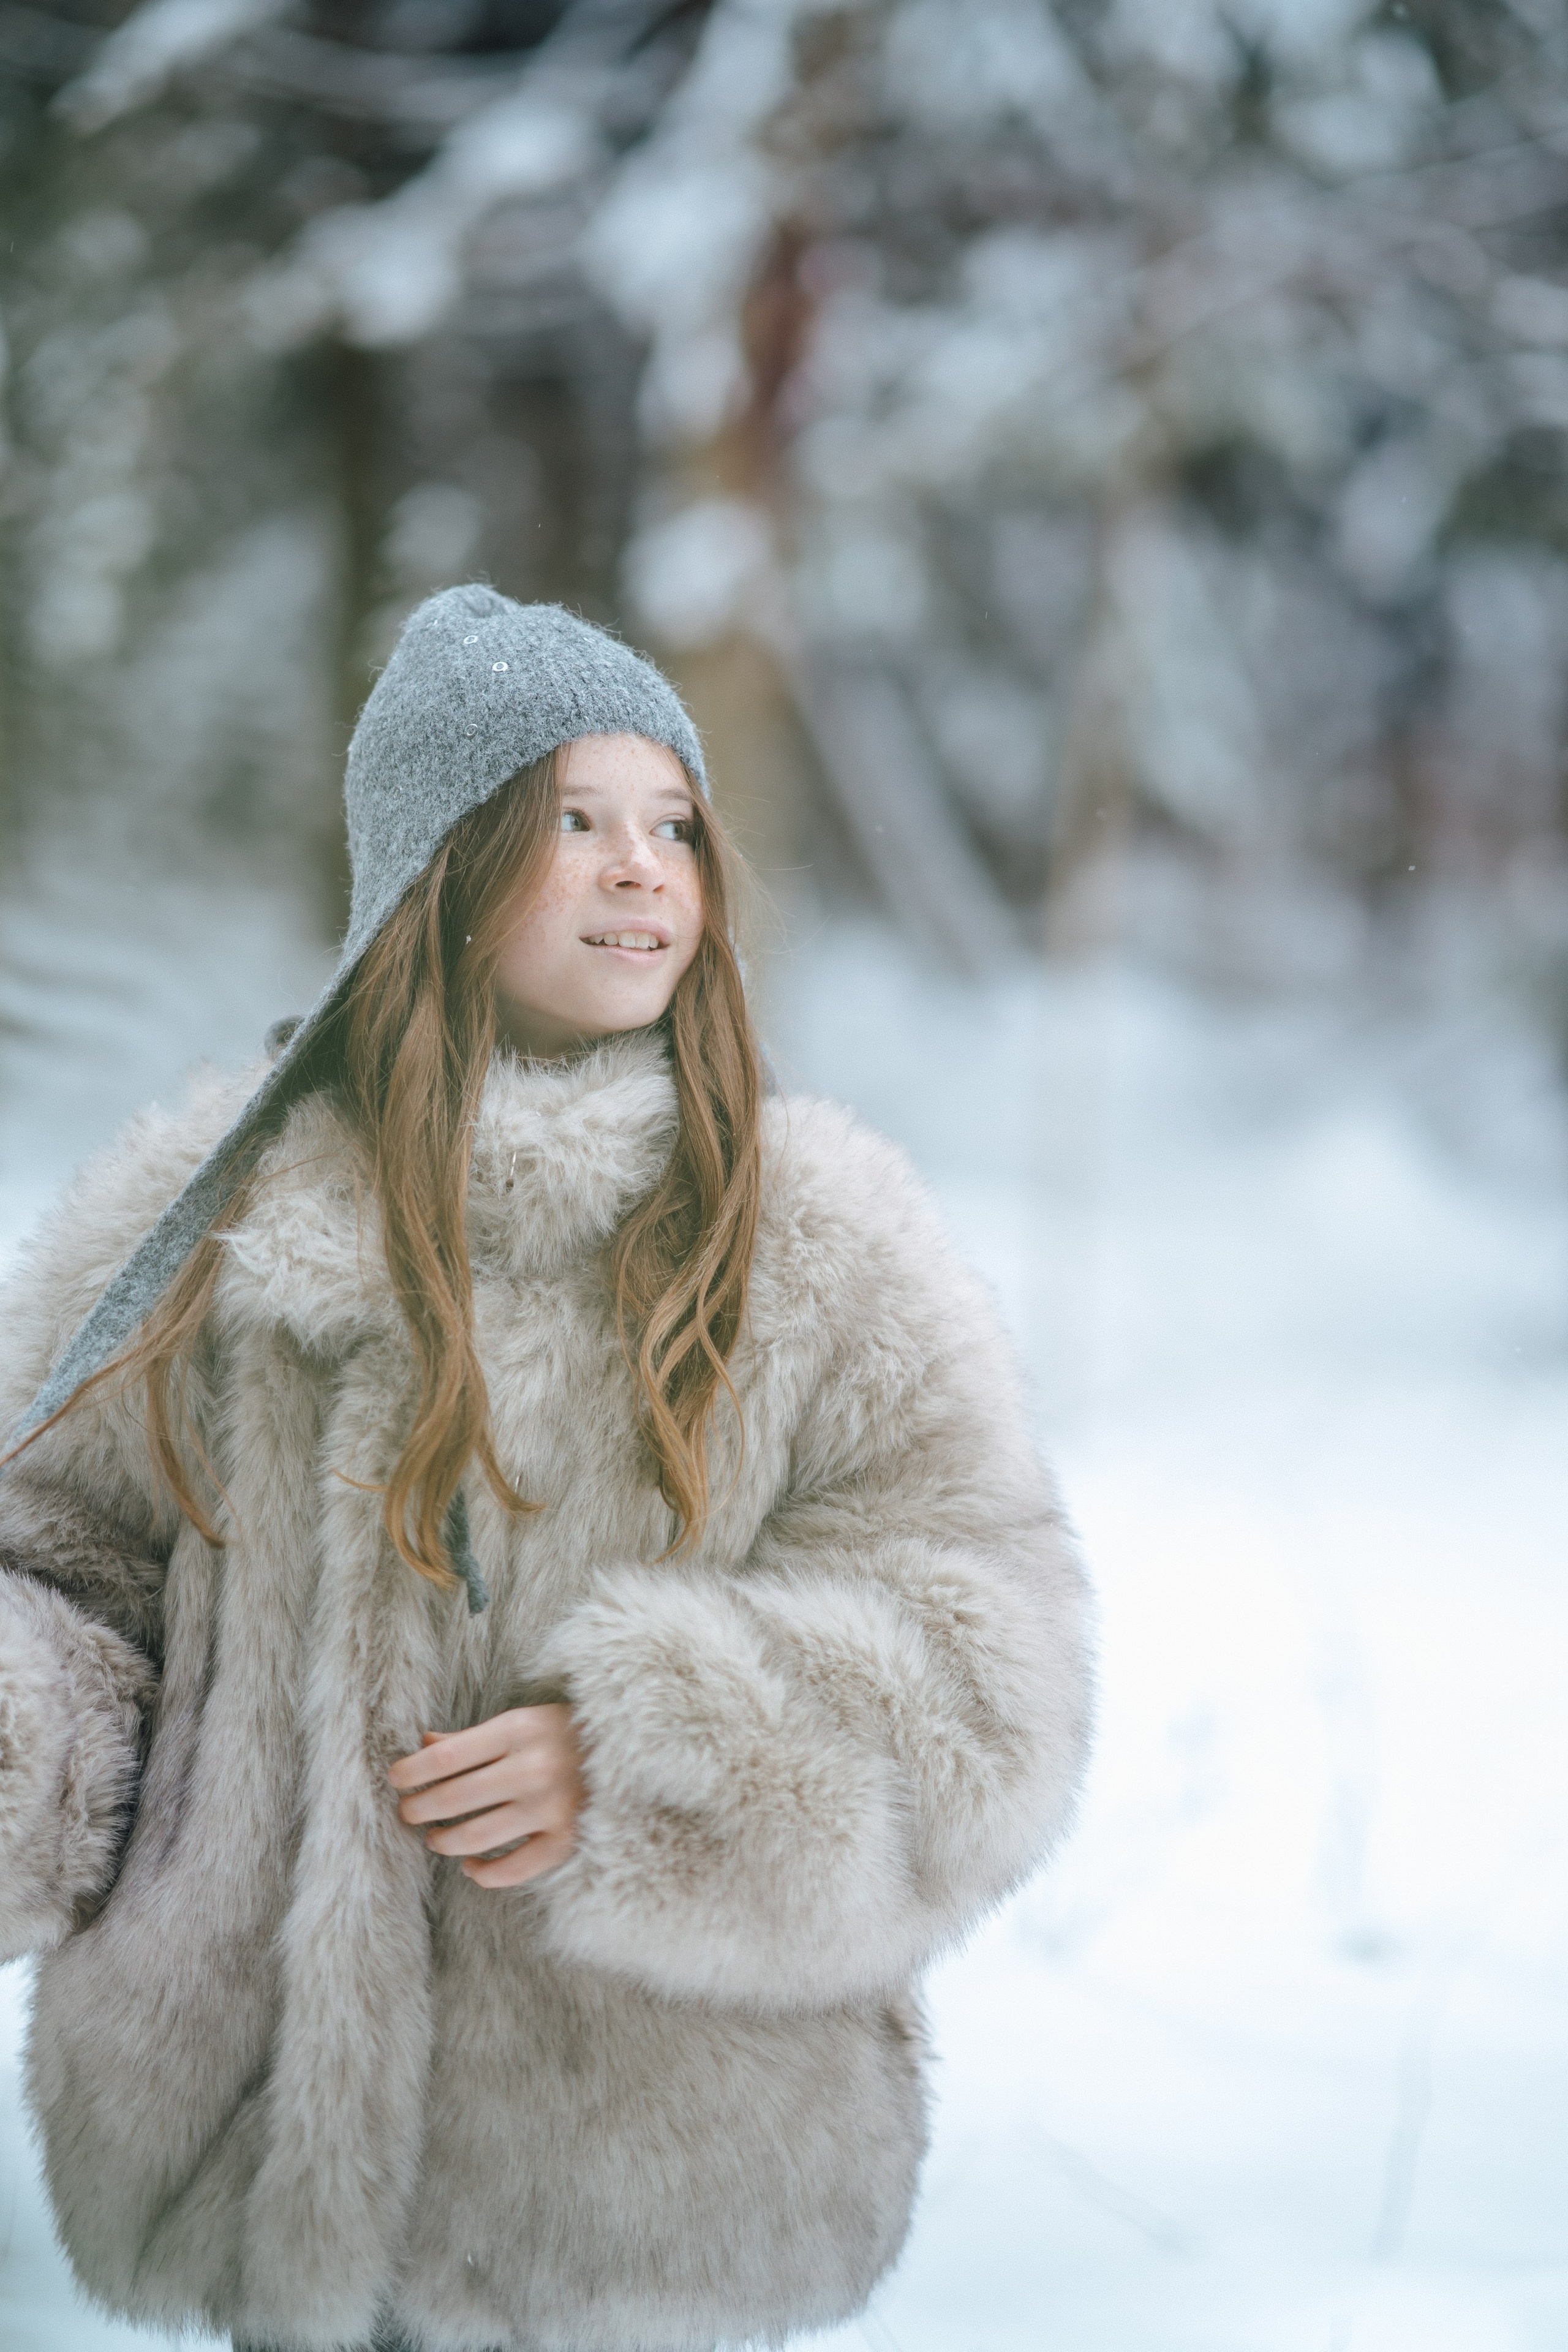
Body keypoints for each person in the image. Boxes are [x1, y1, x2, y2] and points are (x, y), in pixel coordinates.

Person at [0, 586, 1093, 2352]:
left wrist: (658, 1765)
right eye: (572, 821)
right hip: (254, 2151)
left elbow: (995, 1676)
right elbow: (62, 1580)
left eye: (672, 824)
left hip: (648, 2186)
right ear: (435, 868)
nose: (641, 868)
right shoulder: (201, 1219)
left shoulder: (812, 1238)